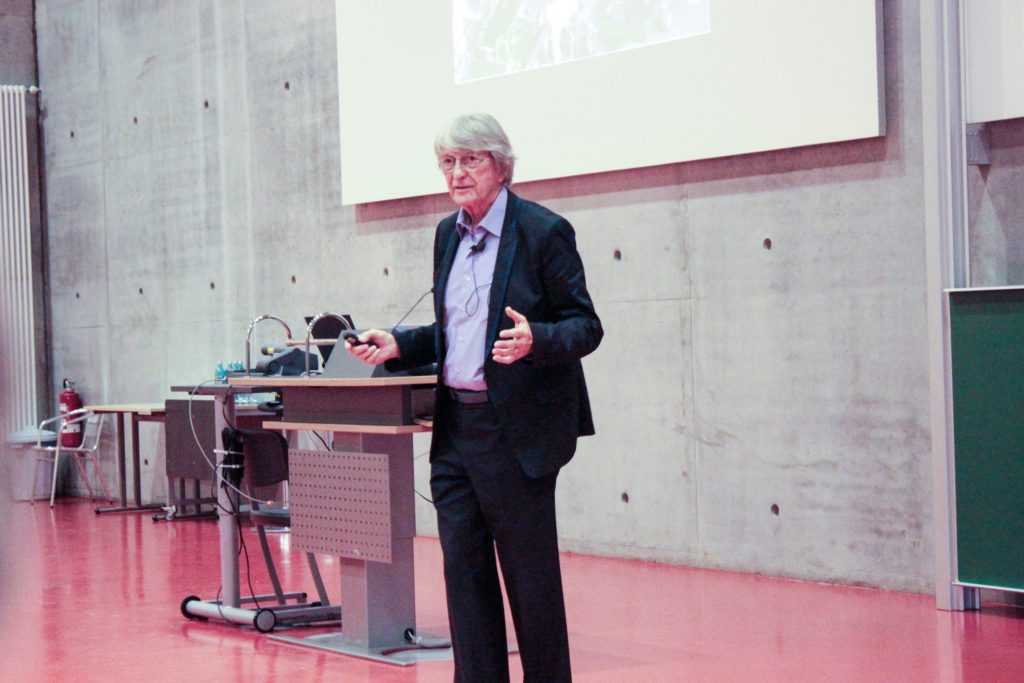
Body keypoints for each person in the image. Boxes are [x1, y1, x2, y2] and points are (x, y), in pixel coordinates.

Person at [346, 112, 602, 683]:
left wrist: (537, 339)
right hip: (456, 434)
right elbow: (456, 331)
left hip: (518, 436)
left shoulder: (543, 231)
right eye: (448, 162)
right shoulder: (447, 234)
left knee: (530, 586)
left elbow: (586, 325)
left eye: (470, 160)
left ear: (500, 166)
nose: (457, 173)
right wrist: (399, 345)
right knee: (464, 580)